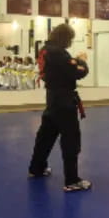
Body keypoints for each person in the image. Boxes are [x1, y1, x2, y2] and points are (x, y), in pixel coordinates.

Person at [28, 24, 92, 192]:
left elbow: (64, 67)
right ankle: (72, 180)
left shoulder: (45, 49)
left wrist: (74, 60)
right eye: (70, 39)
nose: (70, 42)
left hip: (52, 99)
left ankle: (37, 168)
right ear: (64, 38)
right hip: (64, 101)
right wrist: (82, 61)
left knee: (45, 137)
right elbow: (78, 72)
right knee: (70, 140)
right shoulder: (59, 53)